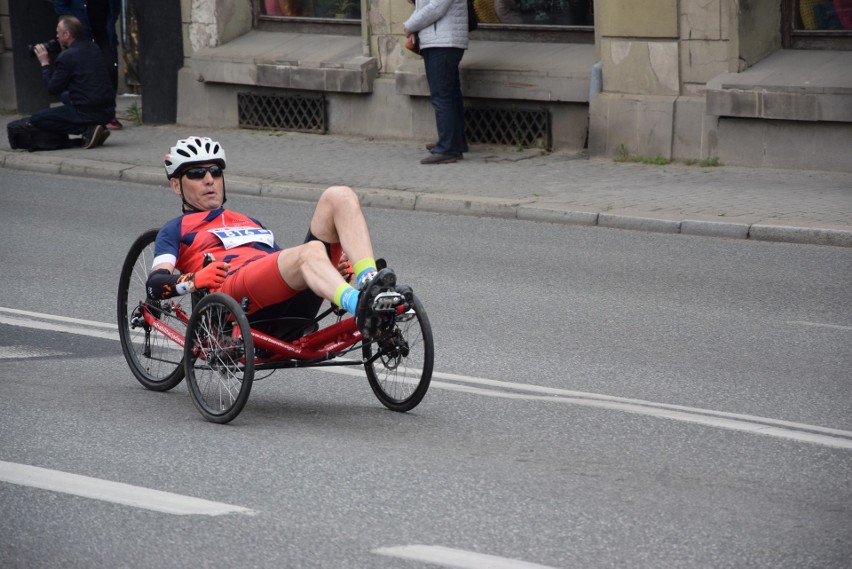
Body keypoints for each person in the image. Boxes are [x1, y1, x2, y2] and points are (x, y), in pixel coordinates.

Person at [146, 136, 411, 340]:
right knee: (310, 252)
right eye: (196, 173)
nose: (208, 179)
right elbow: (155, 285)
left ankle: (368, 285)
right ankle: (359, 305)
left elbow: (284, 265)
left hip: (279, 295)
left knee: (338, 196)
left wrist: (333, 271)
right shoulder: (175, 228)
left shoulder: (248, 220)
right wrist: (195, 280)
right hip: (234, 293)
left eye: (215, 171)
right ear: (176, 185)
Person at [31, 16, 115, 149]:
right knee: (66, 96)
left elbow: (53, 88)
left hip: (88, 110)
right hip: (108, 111)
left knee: (37, 119)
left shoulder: (66, 57)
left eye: (58, 32)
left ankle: (87, 128)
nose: (56, 36)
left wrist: (45, 63)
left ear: (67, 34)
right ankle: (98, 126)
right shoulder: (93, 47)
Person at [404, 0, 470, 165]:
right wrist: (411, 27)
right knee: (451, 95)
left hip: (443, 42)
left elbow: (437, 7)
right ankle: (454, 142)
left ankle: (447, 148)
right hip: (439, 40)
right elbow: (423, 7)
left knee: (442, 96)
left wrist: (411, 25)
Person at [54, 0, 123, 130]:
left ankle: (109, 113)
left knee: (110, 69)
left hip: (104, 31)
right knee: (82, 72)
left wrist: (113, 17)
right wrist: (70, 20)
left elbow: (115, 5)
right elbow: (60, 4)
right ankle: (82, 112)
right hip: (82, 31)